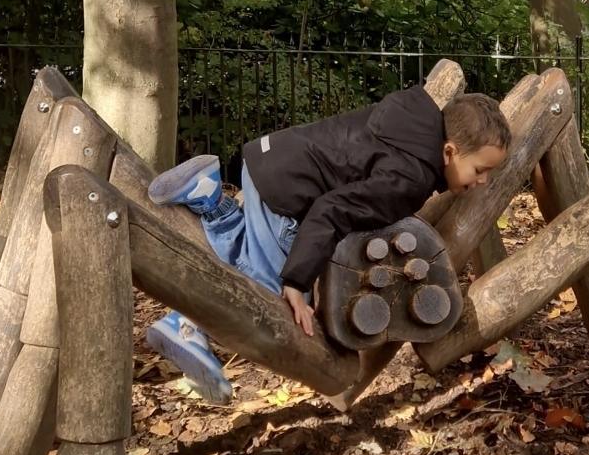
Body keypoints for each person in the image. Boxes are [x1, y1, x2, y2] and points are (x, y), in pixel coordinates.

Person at [144, 86, 510, 401]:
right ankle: (187, 326)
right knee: (271, 291)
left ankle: (208, 195)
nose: (483, 181)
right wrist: (297, 281)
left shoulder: (411, 123)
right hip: (289, 195)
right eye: (480, 170)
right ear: (448, 152)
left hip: (272, 162)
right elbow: (332, 210)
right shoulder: (409, 178)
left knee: (252, 254)